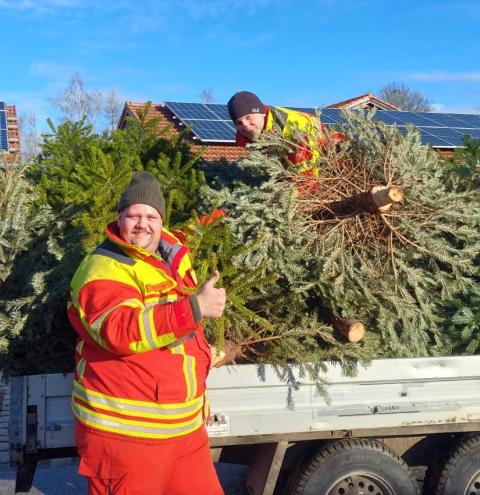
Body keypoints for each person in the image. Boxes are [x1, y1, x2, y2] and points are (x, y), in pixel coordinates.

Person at [68, 171, 226, 495]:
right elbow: (119, 330)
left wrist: (197, 403)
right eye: (134, 215)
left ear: (162, 221)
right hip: (127, 438)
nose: (143, 223)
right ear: (119, 218)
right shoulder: (104, 267)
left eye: (151, 216)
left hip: (184, 432)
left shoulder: (169, 258)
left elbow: (180, 341)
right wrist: (195, 308)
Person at [227, 90, 343, 181]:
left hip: (337, 162)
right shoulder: (247, 136)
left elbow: (307, 178)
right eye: (239, 123)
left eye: (249, 117)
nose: (246, 126)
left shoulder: (296, 128)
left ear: (261, 112)